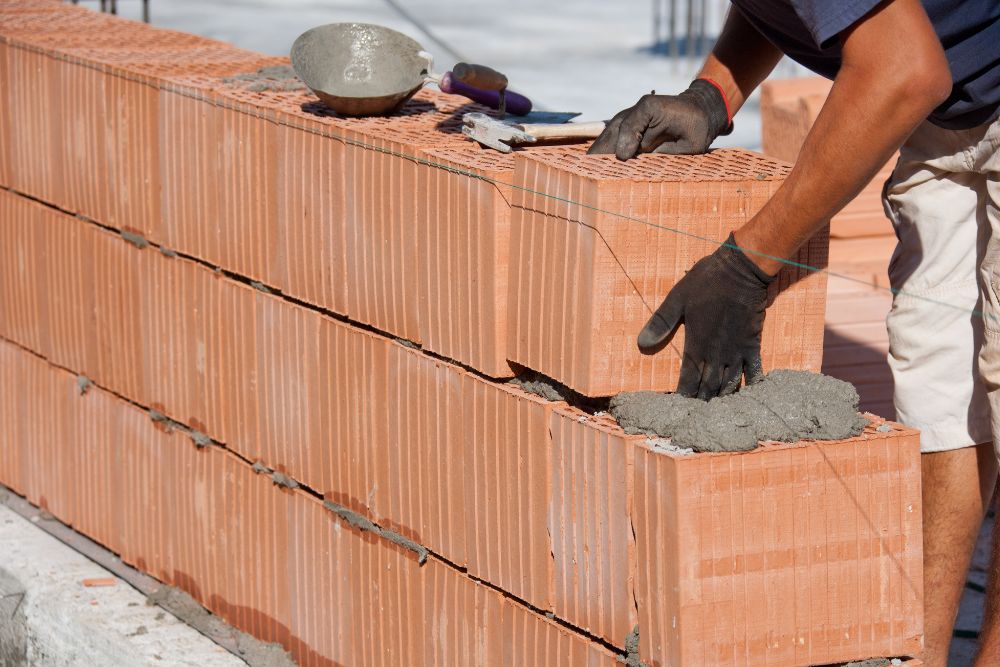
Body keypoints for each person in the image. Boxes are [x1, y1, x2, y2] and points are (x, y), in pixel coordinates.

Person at [588, 0, 1000, 664]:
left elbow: (904, 70)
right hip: (953, 109)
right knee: (938, 394)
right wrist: (713, 92)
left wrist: (747, 261)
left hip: (935, 80)